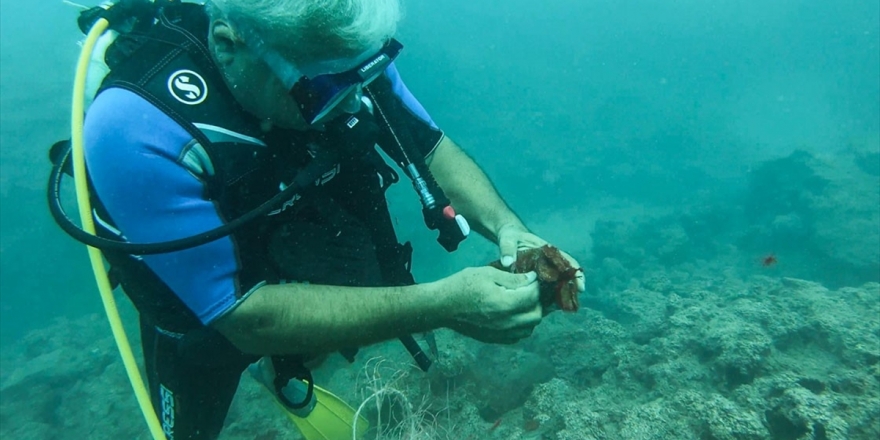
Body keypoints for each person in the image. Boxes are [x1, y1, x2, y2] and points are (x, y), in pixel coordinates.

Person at [77, 0, 584, 439]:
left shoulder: (344, 56)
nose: (351, 101)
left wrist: (508, 227)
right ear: (229, 44)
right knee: (192, 412)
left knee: (354, 289)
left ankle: (291, 367)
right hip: (207, 300)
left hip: (299, 228)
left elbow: (429, 147)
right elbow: (243, 317)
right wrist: (444, 305)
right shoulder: (132, 127)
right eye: (323, 90)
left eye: (365, 74)